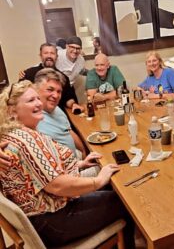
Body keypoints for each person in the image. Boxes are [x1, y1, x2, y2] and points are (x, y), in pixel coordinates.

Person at [0, 80, 135, 248]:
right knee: (127, 203)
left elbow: (38, 172)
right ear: (12, 112)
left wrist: (79, 164)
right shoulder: (27, 138)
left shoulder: (11, 135)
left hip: (39, 220)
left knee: (110, 189)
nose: (38, 103)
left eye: (37, 98)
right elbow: (57, 185)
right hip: (52, 222)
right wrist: (98, 180)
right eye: (30, 100)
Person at [34, 68, 88, 160]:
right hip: (63, 170)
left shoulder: (57, 109)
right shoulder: (31, 117)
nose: (55, 95)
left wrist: (84, 153)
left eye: (59, 91)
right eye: (50, 90)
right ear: (36, 89)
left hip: (76, 160)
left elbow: (68, 132)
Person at [20, 43, 83, 114]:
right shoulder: (28, 74)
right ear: (40, 56)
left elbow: (68, 98)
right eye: (46, 53)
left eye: (52, 53)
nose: (49, 56)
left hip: (57, 114)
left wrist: (73, 105)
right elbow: (19, 96)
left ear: (56, 56)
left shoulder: (63, 77)